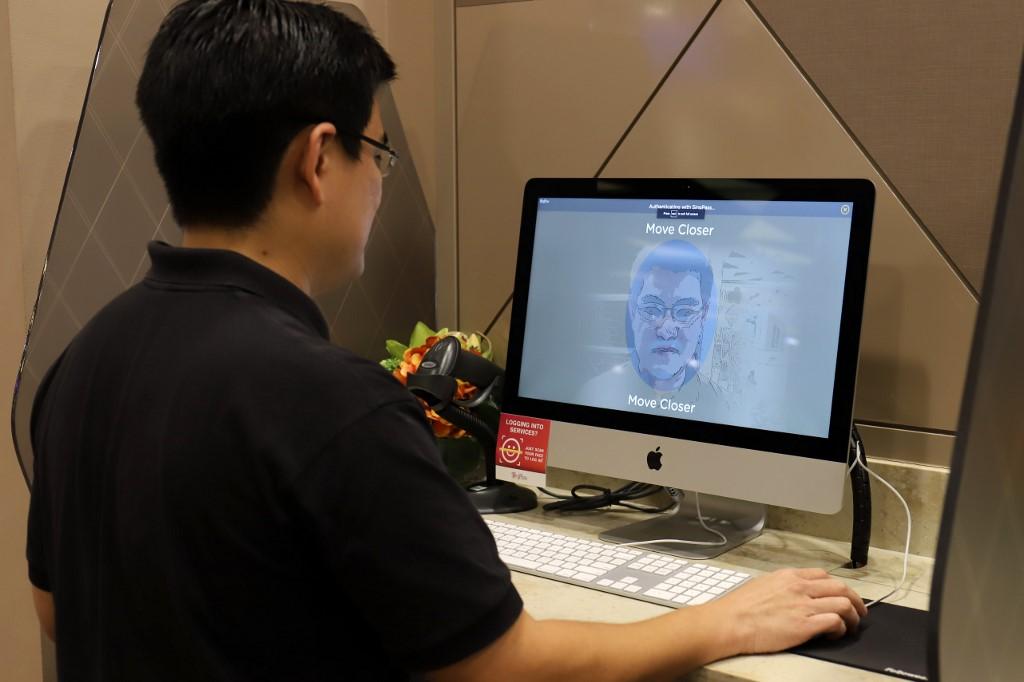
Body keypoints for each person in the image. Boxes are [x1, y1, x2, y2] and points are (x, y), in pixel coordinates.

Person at [26, 2, 866, 680]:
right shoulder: (334, 406)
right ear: (320, 159)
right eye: (378, 154)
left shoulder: (82, 361)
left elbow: (59, 612)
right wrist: (717, 623)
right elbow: (501, 666)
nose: (380, 185)